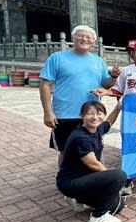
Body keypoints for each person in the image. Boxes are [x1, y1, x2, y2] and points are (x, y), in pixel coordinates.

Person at [40, 25, 120, 166]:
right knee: (65, 150)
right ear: (73, 37)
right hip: (64, 114)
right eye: (81, 35)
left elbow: (105, 84)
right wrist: (48, 113)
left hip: (91, 115)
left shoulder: (98, 61)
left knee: (93, 148)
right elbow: (45, 85)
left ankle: (93, 179)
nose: (84, 39)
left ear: (94, 41)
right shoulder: (57, 58)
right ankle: (65, 179)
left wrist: (113, 76)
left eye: (89, 37)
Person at [92, 40, 136, 189]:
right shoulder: (126, 71)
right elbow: (118, 89)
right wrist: (107, 92)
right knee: (129, 144)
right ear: (134, 53)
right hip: (129, 114)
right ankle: (128, 178)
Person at [57, 100, 126, 222]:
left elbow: (109, 122)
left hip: (85, 179)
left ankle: (78, 199)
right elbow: (94, 164)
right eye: (90, 113)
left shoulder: (97, 128)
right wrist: (112, 181)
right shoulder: (80, 137)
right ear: (81, 115)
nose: (95, 117)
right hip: (70, 182)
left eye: (99, 113)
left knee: (118, 205)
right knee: (119, 176)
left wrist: (117, 107)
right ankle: (98, 217)